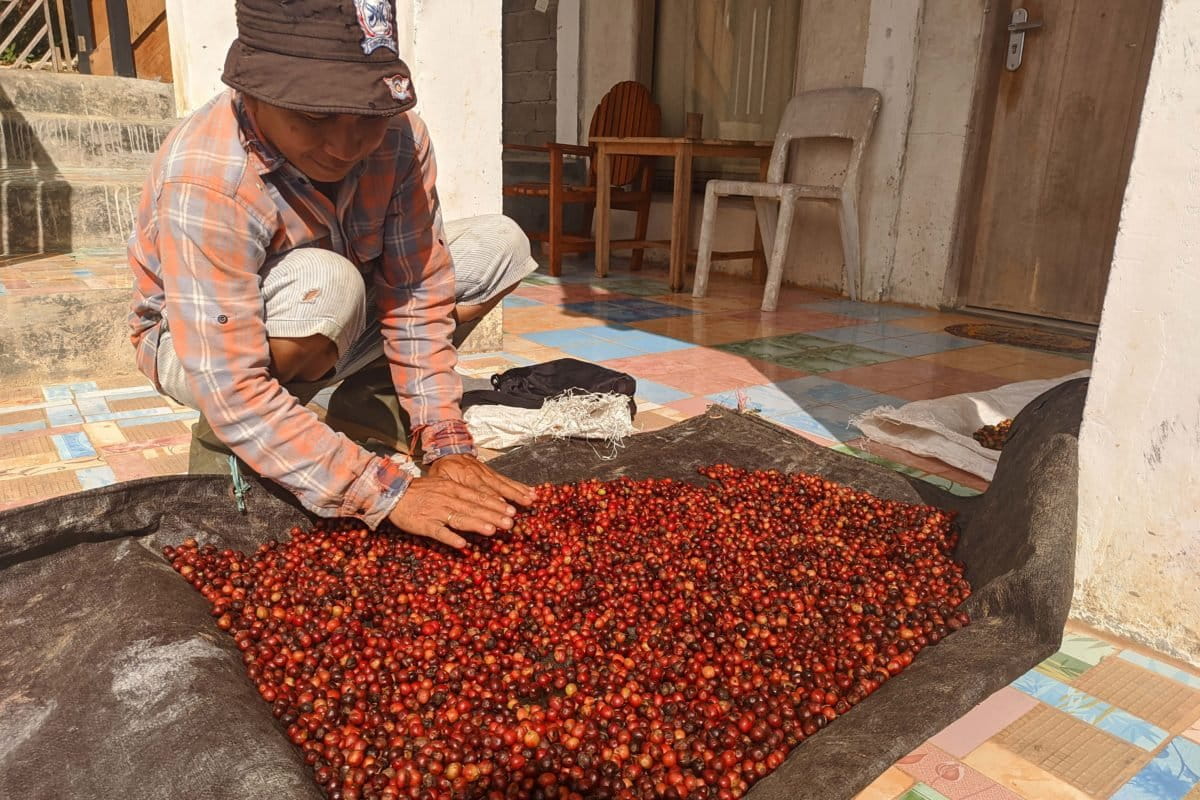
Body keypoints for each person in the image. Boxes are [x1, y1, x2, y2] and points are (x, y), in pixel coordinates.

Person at [127, 0, 537, 550]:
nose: (347, 147)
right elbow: (231, 383)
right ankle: (240, 446)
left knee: (499, 244)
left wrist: (445, 441)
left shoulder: (399, 137)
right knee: (326, 282)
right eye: (316, 118)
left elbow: (415, 290)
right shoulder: (208, 178)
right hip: (199, 347)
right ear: (252, 94)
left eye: (367, 117)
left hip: (330, 308)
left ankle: (366, 405)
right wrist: (384, 491)